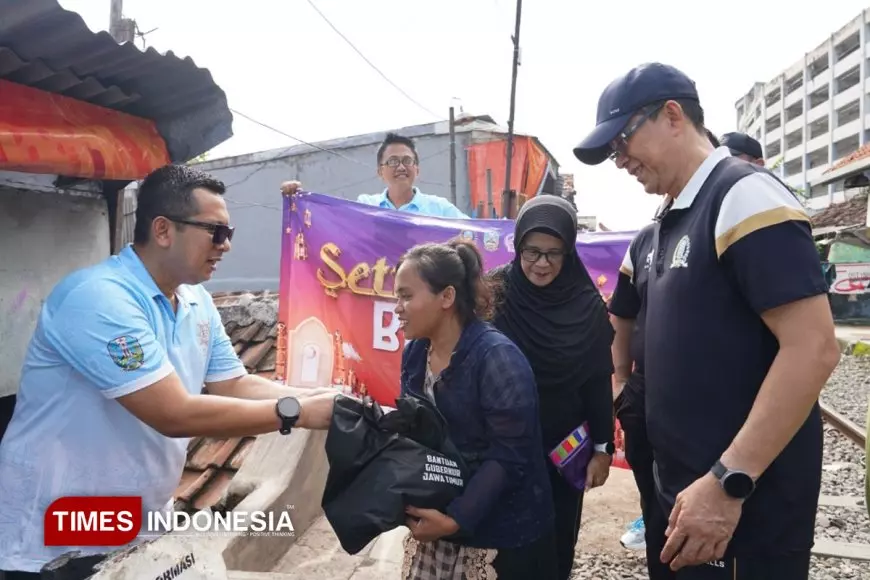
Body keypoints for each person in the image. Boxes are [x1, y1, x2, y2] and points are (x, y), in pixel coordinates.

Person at [0, 164, 337, 577]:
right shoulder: (99, 297)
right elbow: (173, 413)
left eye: (228, 233)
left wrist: (323, 400)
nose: (226, 245)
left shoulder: (196, 300)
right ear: (163, 230)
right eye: (216, 232)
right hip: (58, 536)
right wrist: (296, 412)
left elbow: (233, 384)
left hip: (135, 526)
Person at [573, 62, 840, 579]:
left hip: (740, 505)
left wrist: (727, 481)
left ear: (673, 116)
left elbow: (813, 348)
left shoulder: (743, 197)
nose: (619, 159)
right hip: (683, 492)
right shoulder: (666, 221)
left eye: (623, 140)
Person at [395, 239, 557, 579]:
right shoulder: (415, 354)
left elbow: (508, 456)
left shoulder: (497, 359)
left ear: (447, 297)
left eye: (406, 296)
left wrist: (456, 519)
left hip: (501, 530)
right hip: (441, 518)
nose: (397, 308)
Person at [487, 195, 615, 580]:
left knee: (554, 546)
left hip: (562, 452)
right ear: (518, 247)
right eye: (532, 251)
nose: (542, 263)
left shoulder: (586, 305)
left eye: (553, 253)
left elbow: (597, 381)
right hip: (501, 448)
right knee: (499, 550)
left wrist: (603, 449)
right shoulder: (495, 293)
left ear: (568, 251)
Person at [616, 128, 722, 562]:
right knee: (657, 510)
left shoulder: (732, 212)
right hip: (647, 405)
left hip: (710, 416)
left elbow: (811, 345)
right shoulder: (648, 238)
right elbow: (621, 315)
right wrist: (620, 382)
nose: (623, 161)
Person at [280, 132, 468, 218]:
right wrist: (297, 200)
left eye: (407, 161)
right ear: (380, 172)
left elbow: (475, 235)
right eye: (393, 161)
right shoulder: (366, 206)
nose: (401, 167)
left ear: (417, 170)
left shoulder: (440, 209)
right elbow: (330, 224)